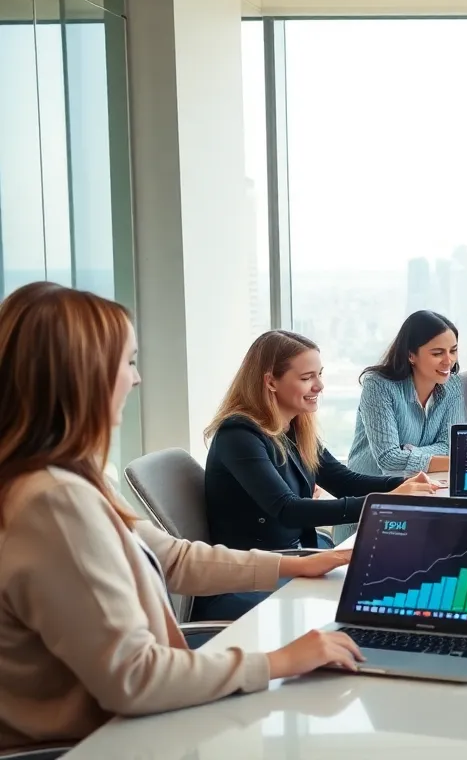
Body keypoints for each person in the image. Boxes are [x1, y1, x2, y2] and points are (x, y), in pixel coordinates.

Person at [0, 282, 367, 751]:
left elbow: (171, 557)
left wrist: (295, 563)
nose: (136, 379)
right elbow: (133, 677)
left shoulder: (69, 479)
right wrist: (277, 662)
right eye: (129, 362)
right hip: (104, 742)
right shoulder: (53, 503)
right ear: (82, 374)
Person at [202, 331, 438, 620]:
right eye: (307, 377)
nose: (320, 386)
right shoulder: (238, 435)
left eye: (320, 374)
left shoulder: (293, 427)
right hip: (251, 578)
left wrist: (403, 485)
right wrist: (384, 501)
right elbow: (287, 509)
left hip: (294, 557)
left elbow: (343, 481)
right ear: (271, 381)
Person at [347, 310, 465, 477]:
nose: (449, 360)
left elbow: (448, 446)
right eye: (437, 353)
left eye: (453, 350)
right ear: (411, 355)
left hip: (421, 484)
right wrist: (454, 460)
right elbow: (388, 459)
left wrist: (408, 451)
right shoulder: (378, 386)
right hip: (368, 490)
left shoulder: (454, 386)